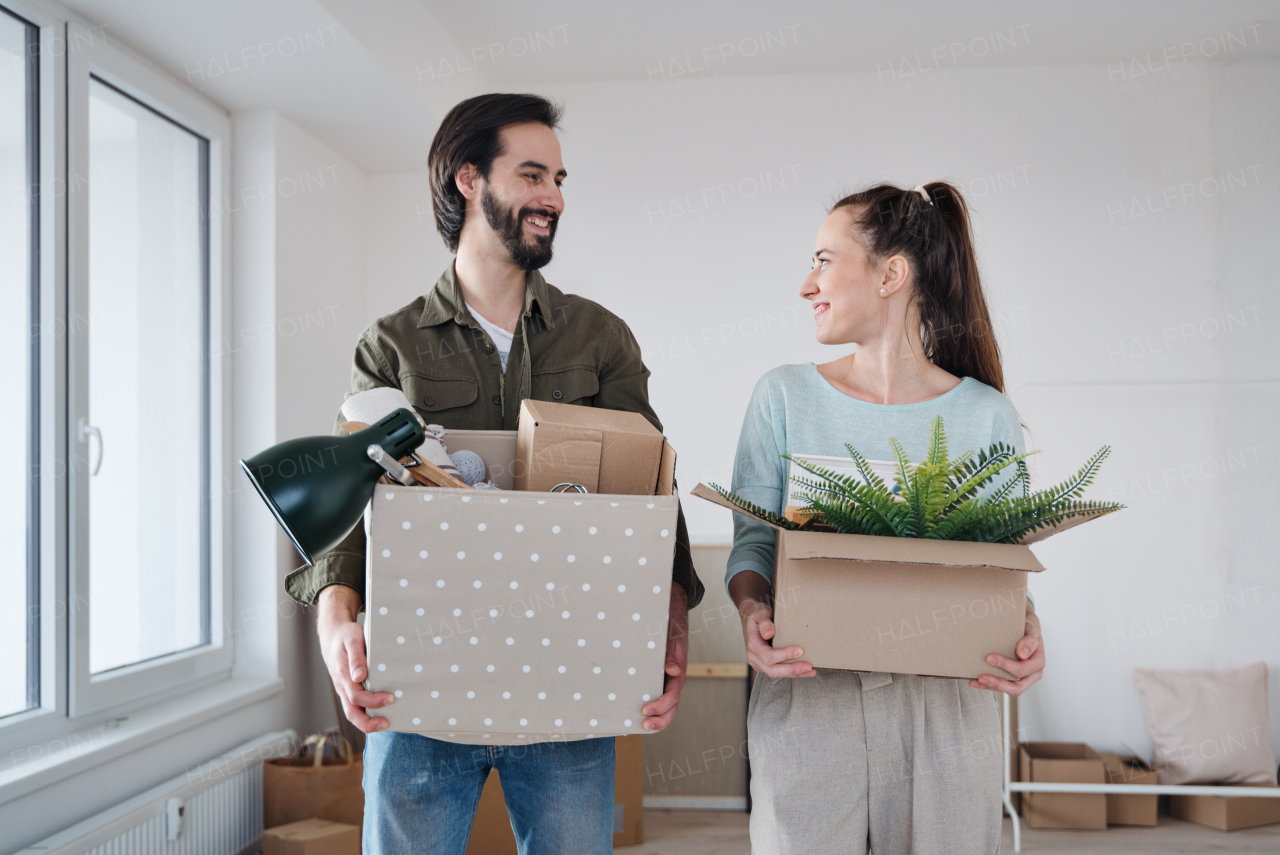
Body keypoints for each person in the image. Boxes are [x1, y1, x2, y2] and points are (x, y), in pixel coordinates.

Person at [283, 93, 705, 855]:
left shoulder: (600, 337)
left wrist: (671, 623)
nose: (556, 197)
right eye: (534, 174)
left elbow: (654, 493)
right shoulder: (392, 346)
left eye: (561, 178)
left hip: (568, 690)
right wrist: (335, 620)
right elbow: (352, 503)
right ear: (469, 180)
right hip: (419, 691)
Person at [727, 183, 1045, 854]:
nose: (805, 284)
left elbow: (1004, 568)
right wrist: (752, 611)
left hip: (946, 712)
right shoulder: (782, 396)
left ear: (891, 274)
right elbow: (753, 542)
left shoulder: (985, 415)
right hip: (813, 697)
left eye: (822, 259)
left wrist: (1027, 629)